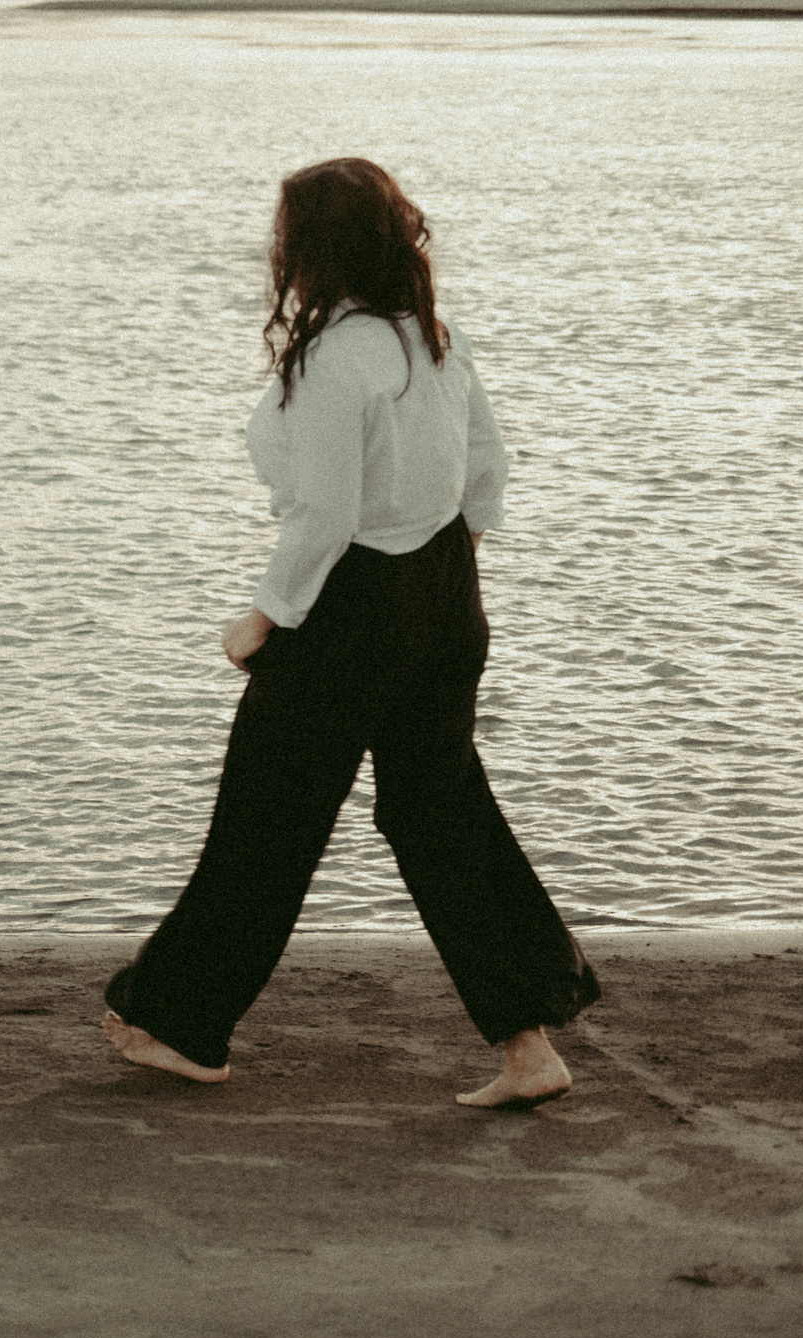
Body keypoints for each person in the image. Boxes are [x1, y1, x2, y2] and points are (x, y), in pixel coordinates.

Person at [102, 158, 598, 1109]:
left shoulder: (337, 359)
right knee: (439, 814)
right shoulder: (434, 336)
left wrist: (264, 617)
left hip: (353, 607)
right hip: (446, 594)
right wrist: (439, 572)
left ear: (312, 249)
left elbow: (326, 515)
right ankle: (527, 1043)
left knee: (267, 817)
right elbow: (488, 472)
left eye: (285, 235)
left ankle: (181, 1026)